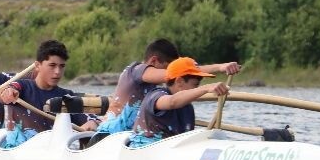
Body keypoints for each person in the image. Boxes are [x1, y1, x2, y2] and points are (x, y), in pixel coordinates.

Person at [95, 39, 239, 136]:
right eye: (169, 66)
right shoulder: (138, 70)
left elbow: (187, 73)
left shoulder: (160, 90)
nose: (173, 71)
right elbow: (178, 74)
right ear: (154, 61)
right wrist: (217, 71)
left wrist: (221, 67)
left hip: (131, 133)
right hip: (112, 132)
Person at [0, 39, 95, 148]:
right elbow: (4, 92)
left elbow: (90, 118)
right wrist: (6, 93)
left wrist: (93, 123)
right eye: (52, 65)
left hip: (51, 152)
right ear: (38, 65)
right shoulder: (22, 86)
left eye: (62, 66)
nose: (57, 72)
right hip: (20, 149)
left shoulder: (67, 97)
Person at [129, 57, 228, 148]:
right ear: (179, 81)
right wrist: (206, 88)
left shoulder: (188, 108)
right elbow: (172, 102)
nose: (197, 89)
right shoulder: (156, 95)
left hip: (171, 152)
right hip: (144, 150)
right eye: (195, 85)